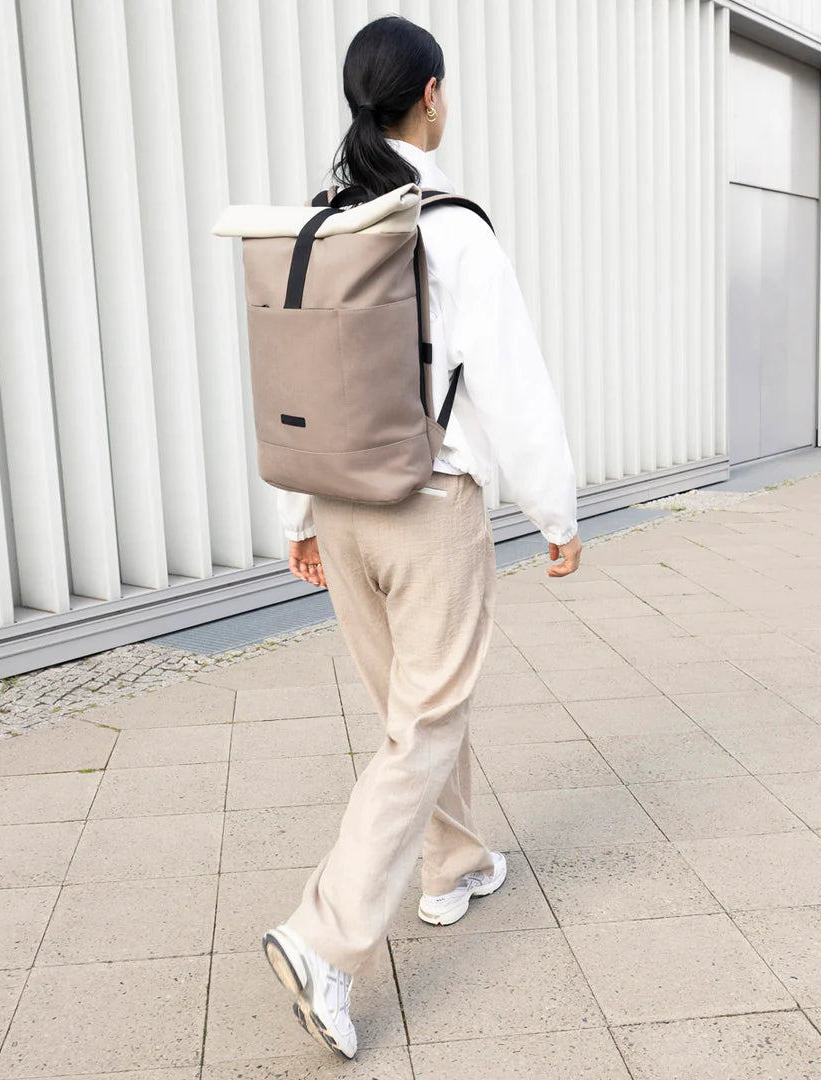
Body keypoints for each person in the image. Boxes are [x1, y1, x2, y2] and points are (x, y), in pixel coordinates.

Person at [262, 15, 581, 1060]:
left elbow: (298, 377)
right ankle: (325, 940)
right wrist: (557, 513)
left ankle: (454, 866)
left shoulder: (323, 223)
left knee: (414, 713)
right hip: (428, 505)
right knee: (424, 723)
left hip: (338, 503)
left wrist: (298, 515)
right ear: (430, 95)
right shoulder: (451, 228)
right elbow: (513, 386)